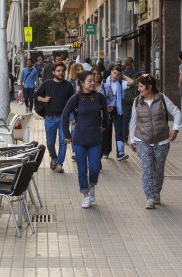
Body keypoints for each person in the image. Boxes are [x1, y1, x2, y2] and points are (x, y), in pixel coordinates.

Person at [129, 74, 182, 209]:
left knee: (158, 170)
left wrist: (175, 129)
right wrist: (132, 140)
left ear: (149, 87)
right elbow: (133, 121)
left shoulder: (162, 99)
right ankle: (150, 197)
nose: (139, 89)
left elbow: (177, 113)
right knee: (147, 168)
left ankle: (156, 192)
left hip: (162, 141)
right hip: (142, 139)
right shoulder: (137, 101)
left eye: (141, 86)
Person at [61, 70, 109, 208]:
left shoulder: (100, 98)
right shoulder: (75, 98)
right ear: (82, 83)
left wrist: (103, 127)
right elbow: (64, 116)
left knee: (94, 168)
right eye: (90, 81)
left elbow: (106, 116)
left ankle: (92, 185)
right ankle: (86, 195)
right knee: (82, 169)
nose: (93, 83)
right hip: (79, 139)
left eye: (94, 80)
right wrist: (67, 135)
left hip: (95, 138)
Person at [34, 62, 74, 173]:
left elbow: (73, 101)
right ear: (53, 72)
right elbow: (36, 95)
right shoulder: (47, 84)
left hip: (63, 119)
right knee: (50, 142)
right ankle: (54, 157)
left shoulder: (68, 86)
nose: (61, 72)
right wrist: (44, 100)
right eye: (58, 70)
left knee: (63, 141)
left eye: (62, 70)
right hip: (50, 118)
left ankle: (59, 164)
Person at [102, 64, 134, 160]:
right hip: (106, 110)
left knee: (119, 132)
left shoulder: (121, 83)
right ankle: (105, 152)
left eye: (118, 74)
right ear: (111, 71)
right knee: (106, 132)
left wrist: (123, 75)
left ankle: (120, 152)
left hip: (117, 110)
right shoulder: (104, 82)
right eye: (114, 73)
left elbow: (132, 82)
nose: (115, 75)